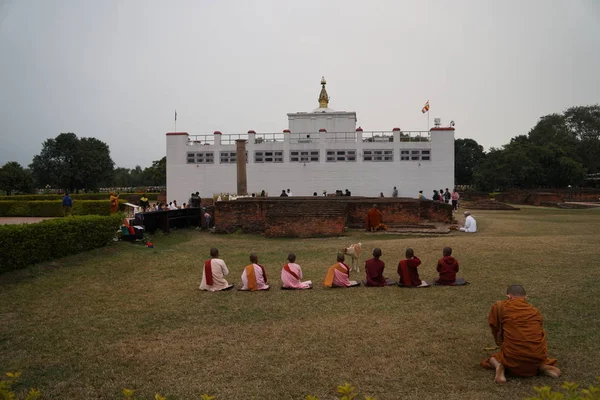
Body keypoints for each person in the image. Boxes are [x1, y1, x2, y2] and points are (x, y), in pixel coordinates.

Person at [481, 285, 560, 383]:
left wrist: (500, 342)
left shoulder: (500, 307)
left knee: (493, 358)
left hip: (512, 358)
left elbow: (495, 328)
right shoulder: (535, 311)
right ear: (525, 297)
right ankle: (542, 367)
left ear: (508, 297)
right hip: (536, 357)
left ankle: (499, 367)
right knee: (536, 357)